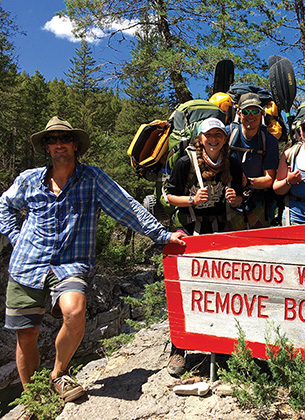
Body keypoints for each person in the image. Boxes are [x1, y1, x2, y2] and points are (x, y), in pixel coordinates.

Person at [0, 117, 187, 404]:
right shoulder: (28, 180)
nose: (58, 144)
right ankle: (33, 400)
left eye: (64, 139)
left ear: (75, 145)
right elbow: (5, 205)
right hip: (26, 264)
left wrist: (161, 235)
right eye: (52, 140)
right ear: (46, 148)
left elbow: (127, 209)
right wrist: (15, 236)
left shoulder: (92, 179)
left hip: (70, 263)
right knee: (27, 335)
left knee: (74, 312)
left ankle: (57, 375)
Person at [163, 117, 244, 375]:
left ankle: (219, 344)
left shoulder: (233, 164)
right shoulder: (186, 163)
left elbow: (240, 196)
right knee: (185, 288)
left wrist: (235, 198)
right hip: (190, 230)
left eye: (219, 134)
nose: (214, 138)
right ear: (201, 138)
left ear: (224, 138)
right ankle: (179, 348)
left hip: (220, 232)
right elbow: (168, 196)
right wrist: (191, 199)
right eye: (209, 134)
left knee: (220, 289)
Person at [227, 92, 280, 229]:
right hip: (228, 202)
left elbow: (269, 179)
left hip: (258, 204)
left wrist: (247, 182)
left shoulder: (269, 141)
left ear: (262, 114)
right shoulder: (227, 135)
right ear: (239, 114)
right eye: (246, 112)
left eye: (255, 111)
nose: (250, 116)